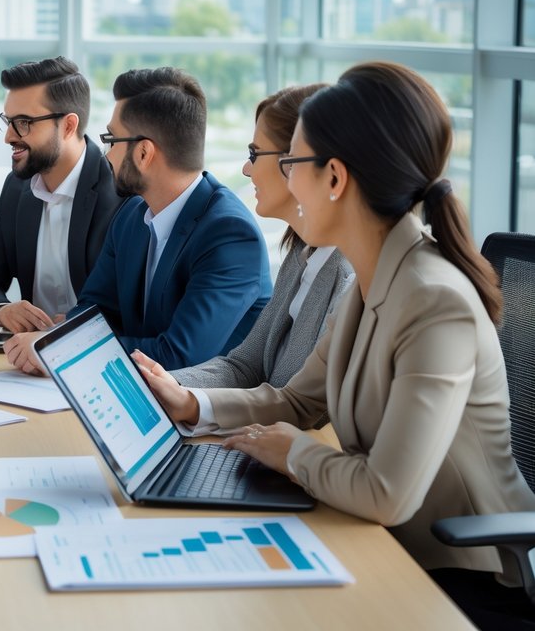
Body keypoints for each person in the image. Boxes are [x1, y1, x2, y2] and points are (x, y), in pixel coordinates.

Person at [133, 62, 535, 627]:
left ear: (335, 179)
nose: (284, 179)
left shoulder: (434, 299)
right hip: (377, 541)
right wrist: (192, 402)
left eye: (292, 163)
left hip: (456, 578)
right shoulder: (373, 278)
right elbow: (299, 402)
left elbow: (388, 493)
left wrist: (291, 452)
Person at [5, 66, 271, 374]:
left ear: (144, 153)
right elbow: (92, 313)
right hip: (135, 395)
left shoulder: (230, 235)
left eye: (111, 140)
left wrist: (58, 350)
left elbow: (179, 356)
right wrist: (59, 340)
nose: (106, 155)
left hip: (210, 415)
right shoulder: (132, 215)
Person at [170, 83, 354, 390]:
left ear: (295, 161)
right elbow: (245, 366)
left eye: (254, 154)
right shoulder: (301, 256)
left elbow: (305, 409)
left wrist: (185, 398)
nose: (246, 169)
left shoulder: (348, 276)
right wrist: (159, 384)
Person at [0, 56, 122, 333]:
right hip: (26, 358)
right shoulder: (16, 187)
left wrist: (73, 326)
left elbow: (126, 303)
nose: (9, 136)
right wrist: (1, 311)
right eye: (8, 121)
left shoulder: (120, 191)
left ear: (69, 126)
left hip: (97, 355)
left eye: (23, 122)